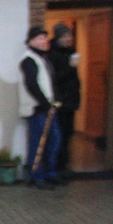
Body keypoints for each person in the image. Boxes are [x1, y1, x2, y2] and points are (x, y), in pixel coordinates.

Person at [19, 26, 62, 190]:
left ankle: (50, 173)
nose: (42, 41)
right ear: (30, 41)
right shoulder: (28, 60)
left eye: (44, 38)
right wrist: (45, 104)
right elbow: (32, 84)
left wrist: (56, 101)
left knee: (54, 141)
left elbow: (50, 83)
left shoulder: (43, 58)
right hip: (37, 109)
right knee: (38, 144)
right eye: (39, 38)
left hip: (49, 108)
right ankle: (36, 175)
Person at [48, 23, 81, 181]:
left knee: (68, 135)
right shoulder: (52, 55)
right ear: (58, 37)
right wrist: (70, 66)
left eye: (70, 36)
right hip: (61, 102)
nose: (68, 39)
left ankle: (64, 165)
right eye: (65, 36)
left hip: (71, 102)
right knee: (58, 136)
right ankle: (56, 167)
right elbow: (55, 78)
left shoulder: (71, 52)